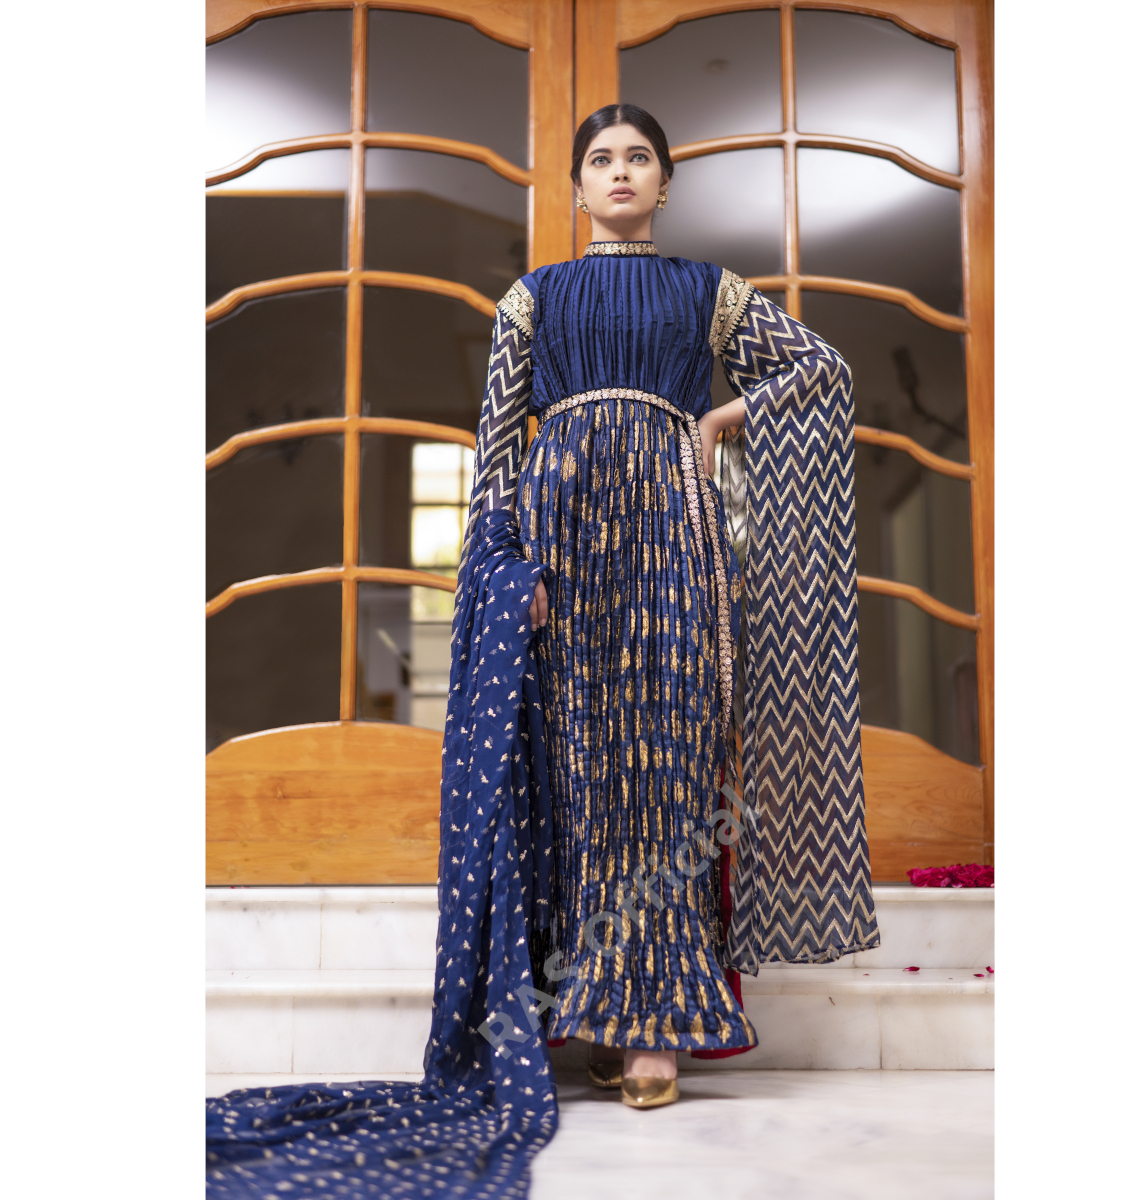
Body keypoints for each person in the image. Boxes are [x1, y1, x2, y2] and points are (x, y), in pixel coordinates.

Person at [205, 104, 879, 1200]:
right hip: (561, 549)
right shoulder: (534, 297)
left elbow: (820, 369)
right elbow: (496, 446)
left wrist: (721, 421)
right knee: (581, 777)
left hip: (672, 541)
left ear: (664, 183)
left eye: (638, 159)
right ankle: (602, 1014)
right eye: (601, 160)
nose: (620, 174)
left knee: (665, 770)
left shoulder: (709, 292)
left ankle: (655, 1025)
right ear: (576, 188)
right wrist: (506, 570)